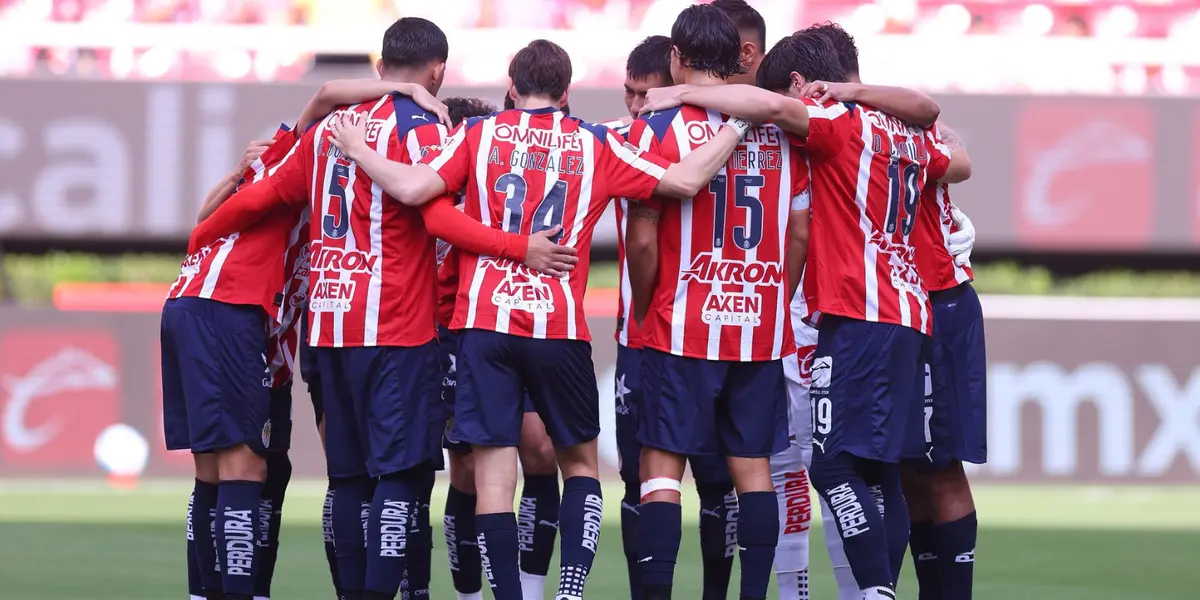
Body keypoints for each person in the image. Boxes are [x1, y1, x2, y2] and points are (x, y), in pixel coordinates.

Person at [327, 37, 749, 600]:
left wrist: (358, 148)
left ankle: (508, 595)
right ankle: (569, 591)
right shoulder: (593, 143)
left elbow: (412, 190)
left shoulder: (477, 136)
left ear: (510, 86)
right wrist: (736, 125)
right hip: (557, 327)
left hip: (485, 325)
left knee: (493, 478)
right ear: (567, 91)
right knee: (579, 467)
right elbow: (683, 181)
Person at [189, 19, 579, 600]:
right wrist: (520, 247)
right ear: (437, 72)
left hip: (326, 326)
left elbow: (262, 196)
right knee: (403, 476)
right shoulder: (424, 131)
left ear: (380, 69)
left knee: (347, 480)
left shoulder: (327, 133)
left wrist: (201, 236)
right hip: (395, 327)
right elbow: (440, 217)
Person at [641, 29, 972, 600]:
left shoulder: (838, 125)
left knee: (831, 467)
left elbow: (767, 106)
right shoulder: (905, 130)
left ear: (800, 86)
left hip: (856, 311)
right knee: (882, 468)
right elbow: (952, 148)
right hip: (910, 309)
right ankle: (877, 587)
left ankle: (873, 590)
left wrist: (676, 97)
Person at [622, 6, 805, 600]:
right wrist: (775, 299)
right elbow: (800, 232)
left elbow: (643, 236)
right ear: (739, 55)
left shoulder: (657, 125)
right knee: (751, 470)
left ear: (675, 57)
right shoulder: (780, 131)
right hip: (757, 323)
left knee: (661, 468)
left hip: (682, 323)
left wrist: (646, 306)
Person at [799, 22, 982, 600]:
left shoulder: (873, 121)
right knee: (897, 467)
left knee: (936, 466)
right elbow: (959, 158)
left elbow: (957, 155)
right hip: (901, 305)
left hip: (934, 297)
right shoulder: (883, 124)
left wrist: (859, 94)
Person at [611, 34, 740, 600]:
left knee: (717, 481)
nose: (641, 108)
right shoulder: (617, 139)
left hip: (698, 330)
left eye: (651, 97)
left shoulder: (712, 134)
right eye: (633, 96)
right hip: (636, 338)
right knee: (637, 478)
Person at [434, 96, 563, 600]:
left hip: (508, 324)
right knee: (466, 466)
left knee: (541, 448)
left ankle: (528, 589)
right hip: (447, 335)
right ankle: (468, 593)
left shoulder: (507, 192)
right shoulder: (433, 193)